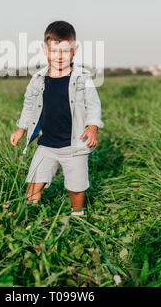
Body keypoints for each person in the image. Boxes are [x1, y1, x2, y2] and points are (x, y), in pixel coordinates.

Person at [10, 20, 104, 216]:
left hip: (74, 145)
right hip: (47, 145)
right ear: (45, 50)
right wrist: (21, 129)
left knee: (76, 186)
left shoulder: (82, 78)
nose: (59, 57)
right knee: (33, 183)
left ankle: (77, 214)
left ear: (74, 50)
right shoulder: (38, 79)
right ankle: (31, 215)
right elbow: (29, 105)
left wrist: (92, 127)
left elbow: (93, 104)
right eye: (54, 51)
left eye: (65, 51)